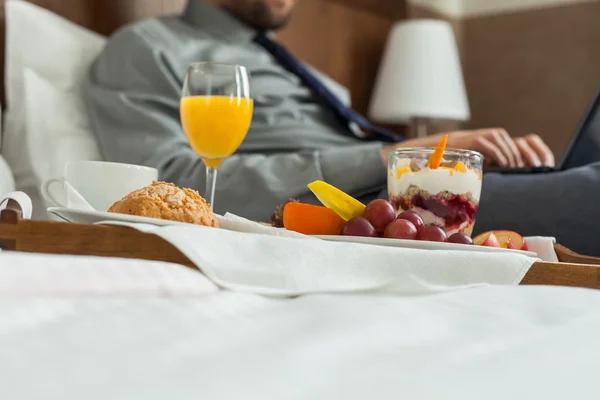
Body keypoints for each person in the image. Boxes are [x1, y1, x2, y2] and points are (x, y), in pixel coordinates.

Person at [83, 0, 600, 254]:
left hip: (400, 196)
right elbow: (175, 179)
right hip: (358, 205)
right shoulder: (148, 47)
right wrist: (400, 154)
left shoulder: (300, 69)